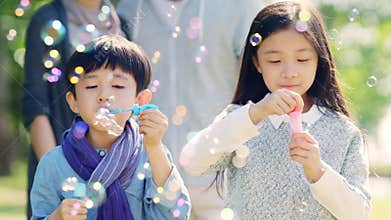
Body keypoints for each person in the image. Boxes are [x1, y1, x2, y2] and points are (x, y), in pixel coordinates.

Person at [180, 1, 371, 219]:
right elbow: (192, 160)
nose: (289, 72)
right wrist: (254, 114)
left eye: (302, 59)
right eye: (275, 60)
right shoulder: (243, 120)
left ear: (319, 60)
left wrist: (318, 172)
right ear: (257, 63)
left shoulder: (342, 132)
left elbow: (359, 214)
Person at [115, 0, 263, 218]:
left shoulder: (240, 6)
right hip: (151, 180)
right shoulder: (129, 9)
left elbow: (260, 83)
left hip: (222, 177)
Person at [30, 35, 190, 220]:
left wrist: (155, 146)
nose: (105, 95)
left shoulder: (152, 155)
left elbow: (176, 215)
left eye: (118, 85)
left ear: (140, 100)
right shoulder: (53, 164)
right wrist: (56, 217)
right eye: (91, 86)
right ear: (73, 102)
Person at [22, 0, 130, 218]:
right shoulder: (46, 19)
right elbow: (36, 104)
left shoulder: (122, 24)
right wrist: (57, 173)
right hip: (66, 158)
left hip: (116, 166)